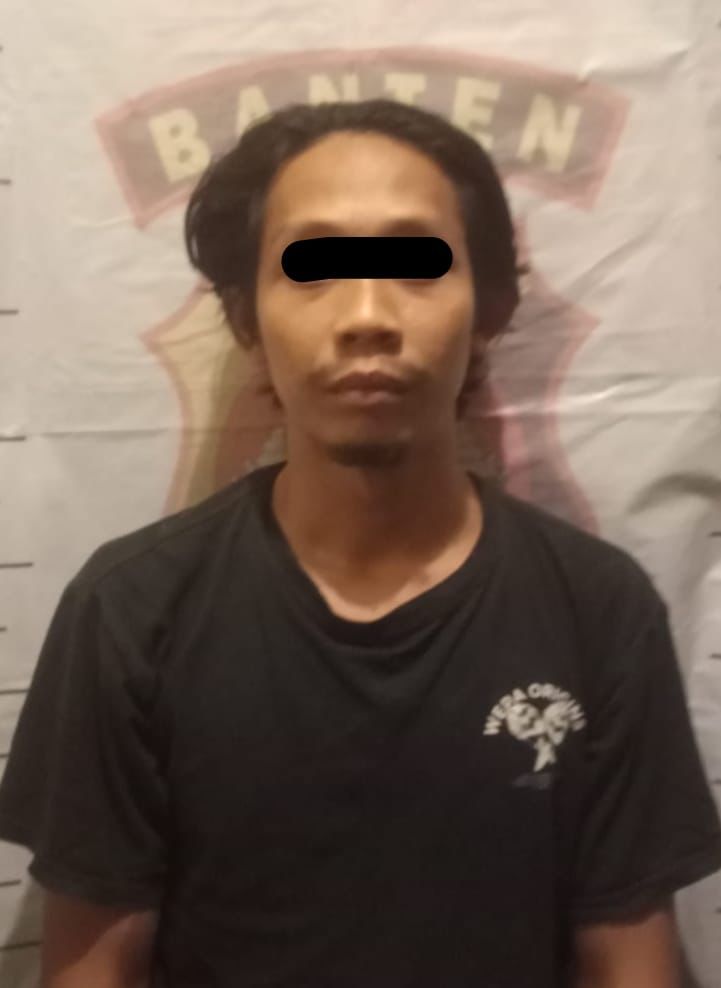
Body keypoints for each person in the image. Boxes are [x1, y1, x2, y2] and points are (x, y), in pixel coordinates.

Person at [1, 98, 720, 988]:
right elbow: (92, 971)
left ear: (489, 308)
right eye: (313, 268)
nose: (367, 315)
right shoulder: (130, 611)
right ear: (244, 318)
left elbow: (630, 964)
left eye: (417, 265)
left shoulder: (599, 610)